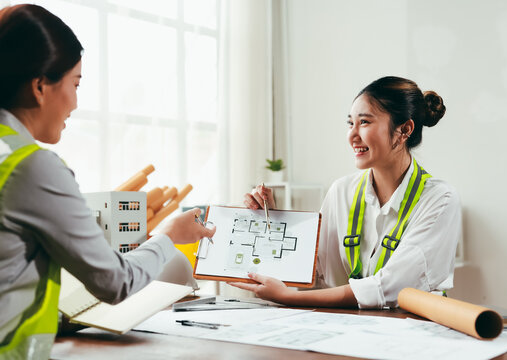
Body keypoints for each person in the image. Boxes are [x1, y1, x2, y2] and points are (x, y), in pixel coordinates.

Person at [0, 4, 216, 359]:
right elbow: (115, 282)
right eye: (75, 83)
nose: (75, 102)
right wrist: (168, 236)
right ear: (40, 86)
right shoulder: (33, 168)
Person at [234, 76, 461, 309]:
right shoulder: (341, 190)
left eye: (364, 122)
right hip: (348, 329)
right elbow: (313, 270)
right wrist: (271, 220)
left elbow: (390, 288)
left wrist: (288, 297)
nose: (352, 135)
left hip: (411, 332)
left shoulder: (440, 200)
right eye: (350, 123)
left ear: (404, 130)